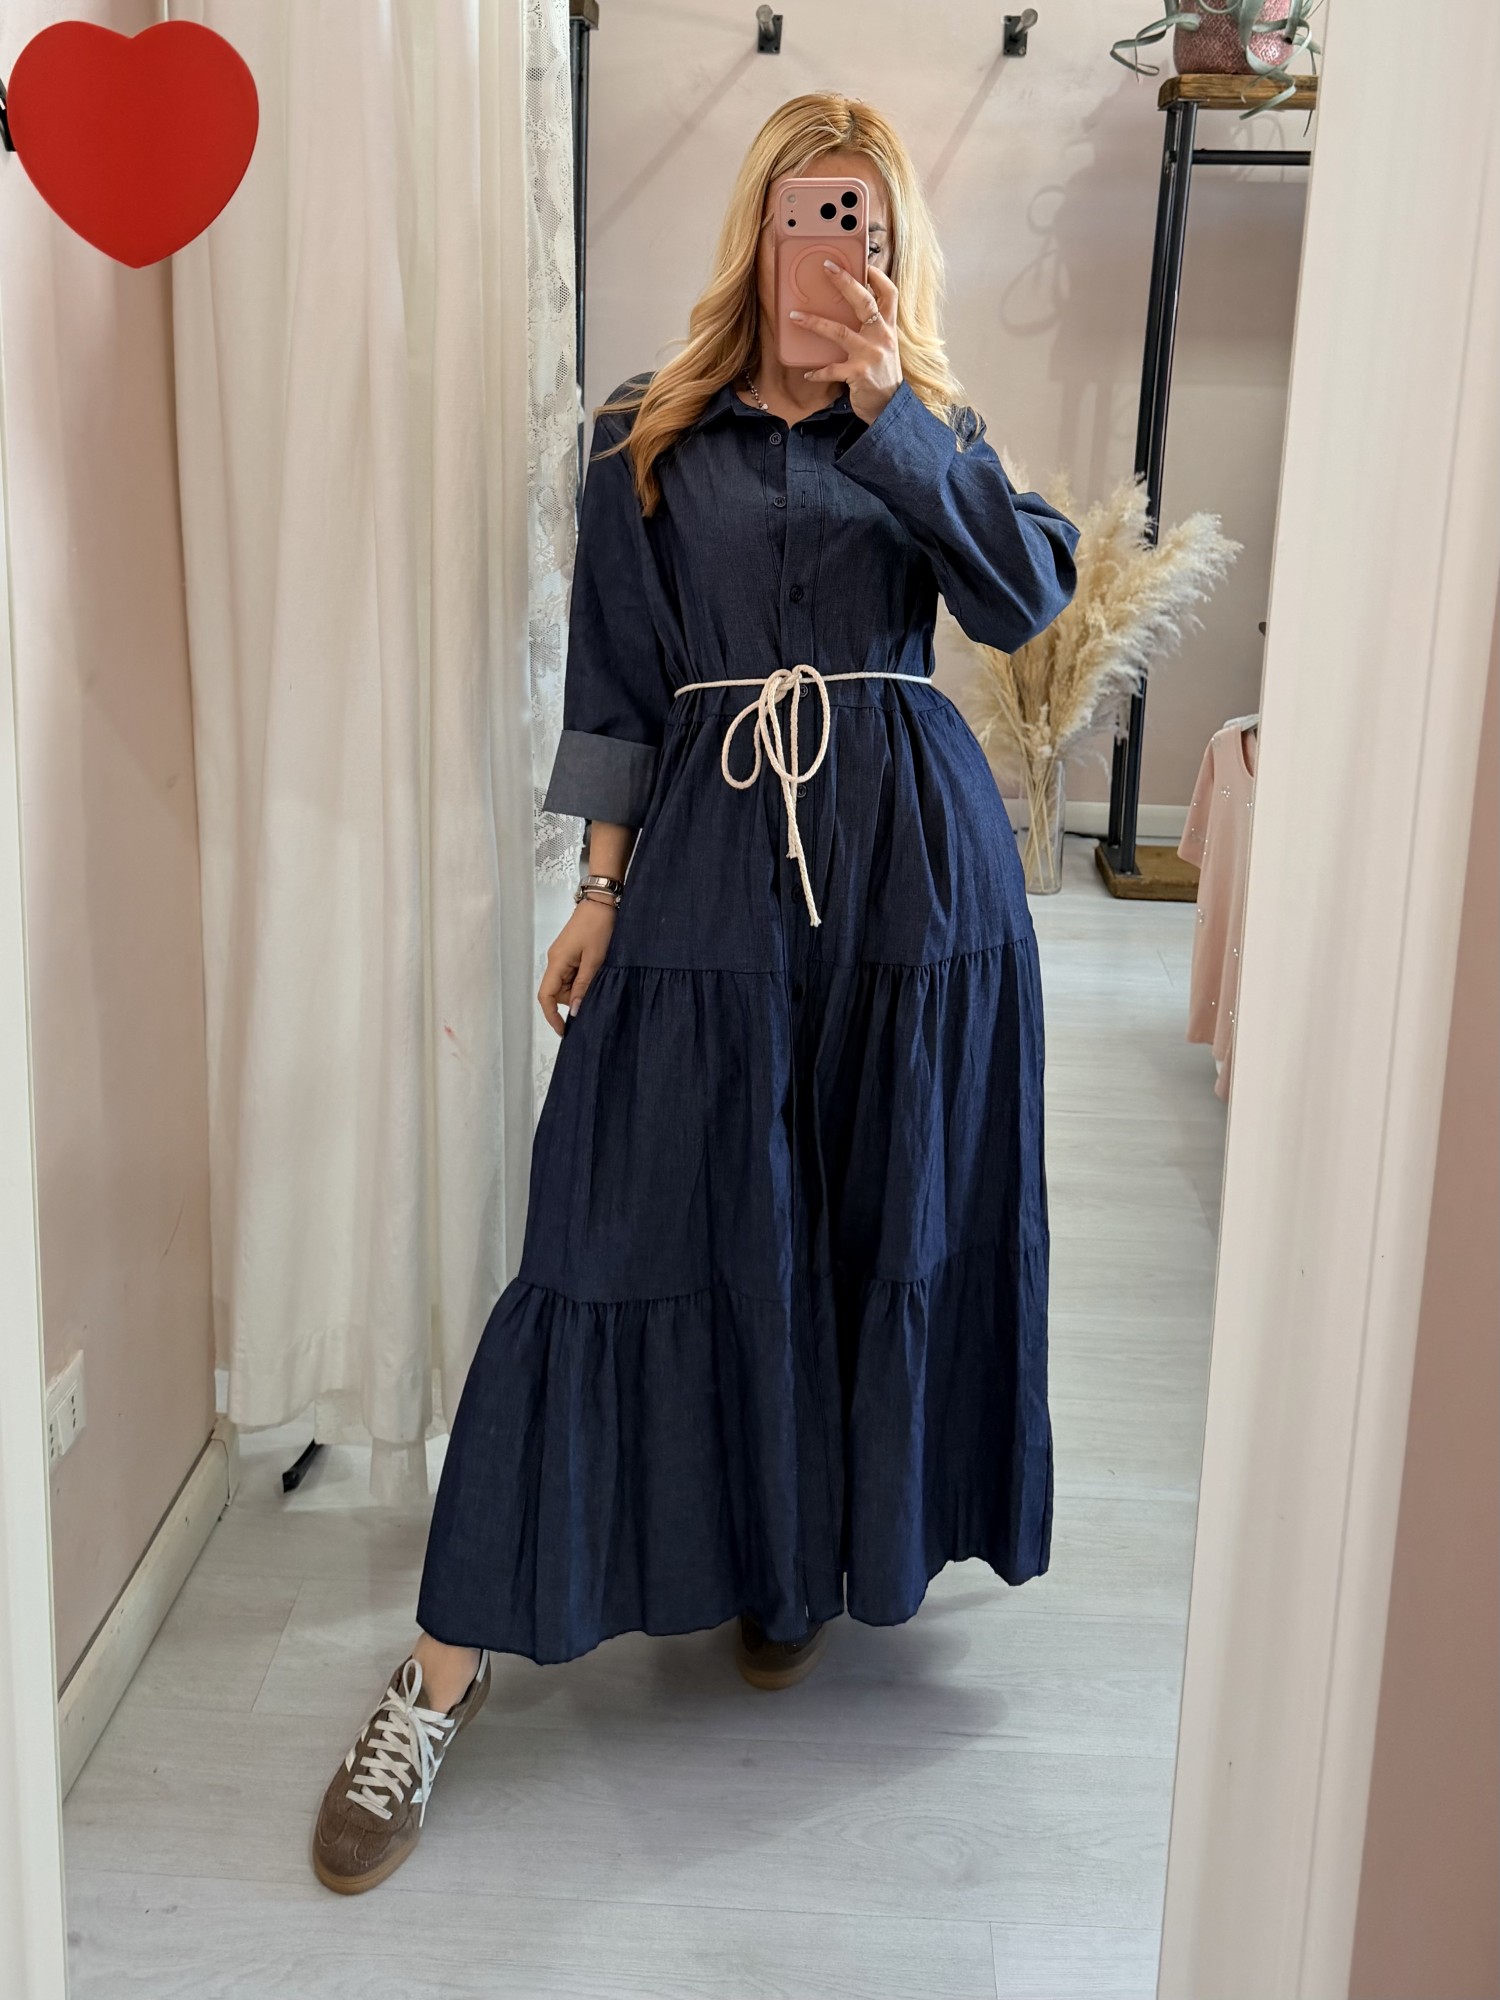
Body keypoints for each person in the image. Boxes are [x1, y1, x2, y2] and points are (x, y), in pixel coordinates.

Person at [312, 90, 1078, 1896]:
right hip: (717, 861)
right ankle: (440, 1668)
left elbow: (1025, 601)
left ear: (897, 244)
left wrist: (892, 412)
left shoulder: (936, 423)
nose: (837, 247)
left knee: (855, 1222)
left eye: (866, 217)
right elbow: (618, 679)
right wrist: (599, 888)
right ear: (758, 229)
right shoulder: (644, 432)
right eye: (813, 212)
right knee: (609, 1229)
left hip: (910, 888)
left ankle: (789, 1565)